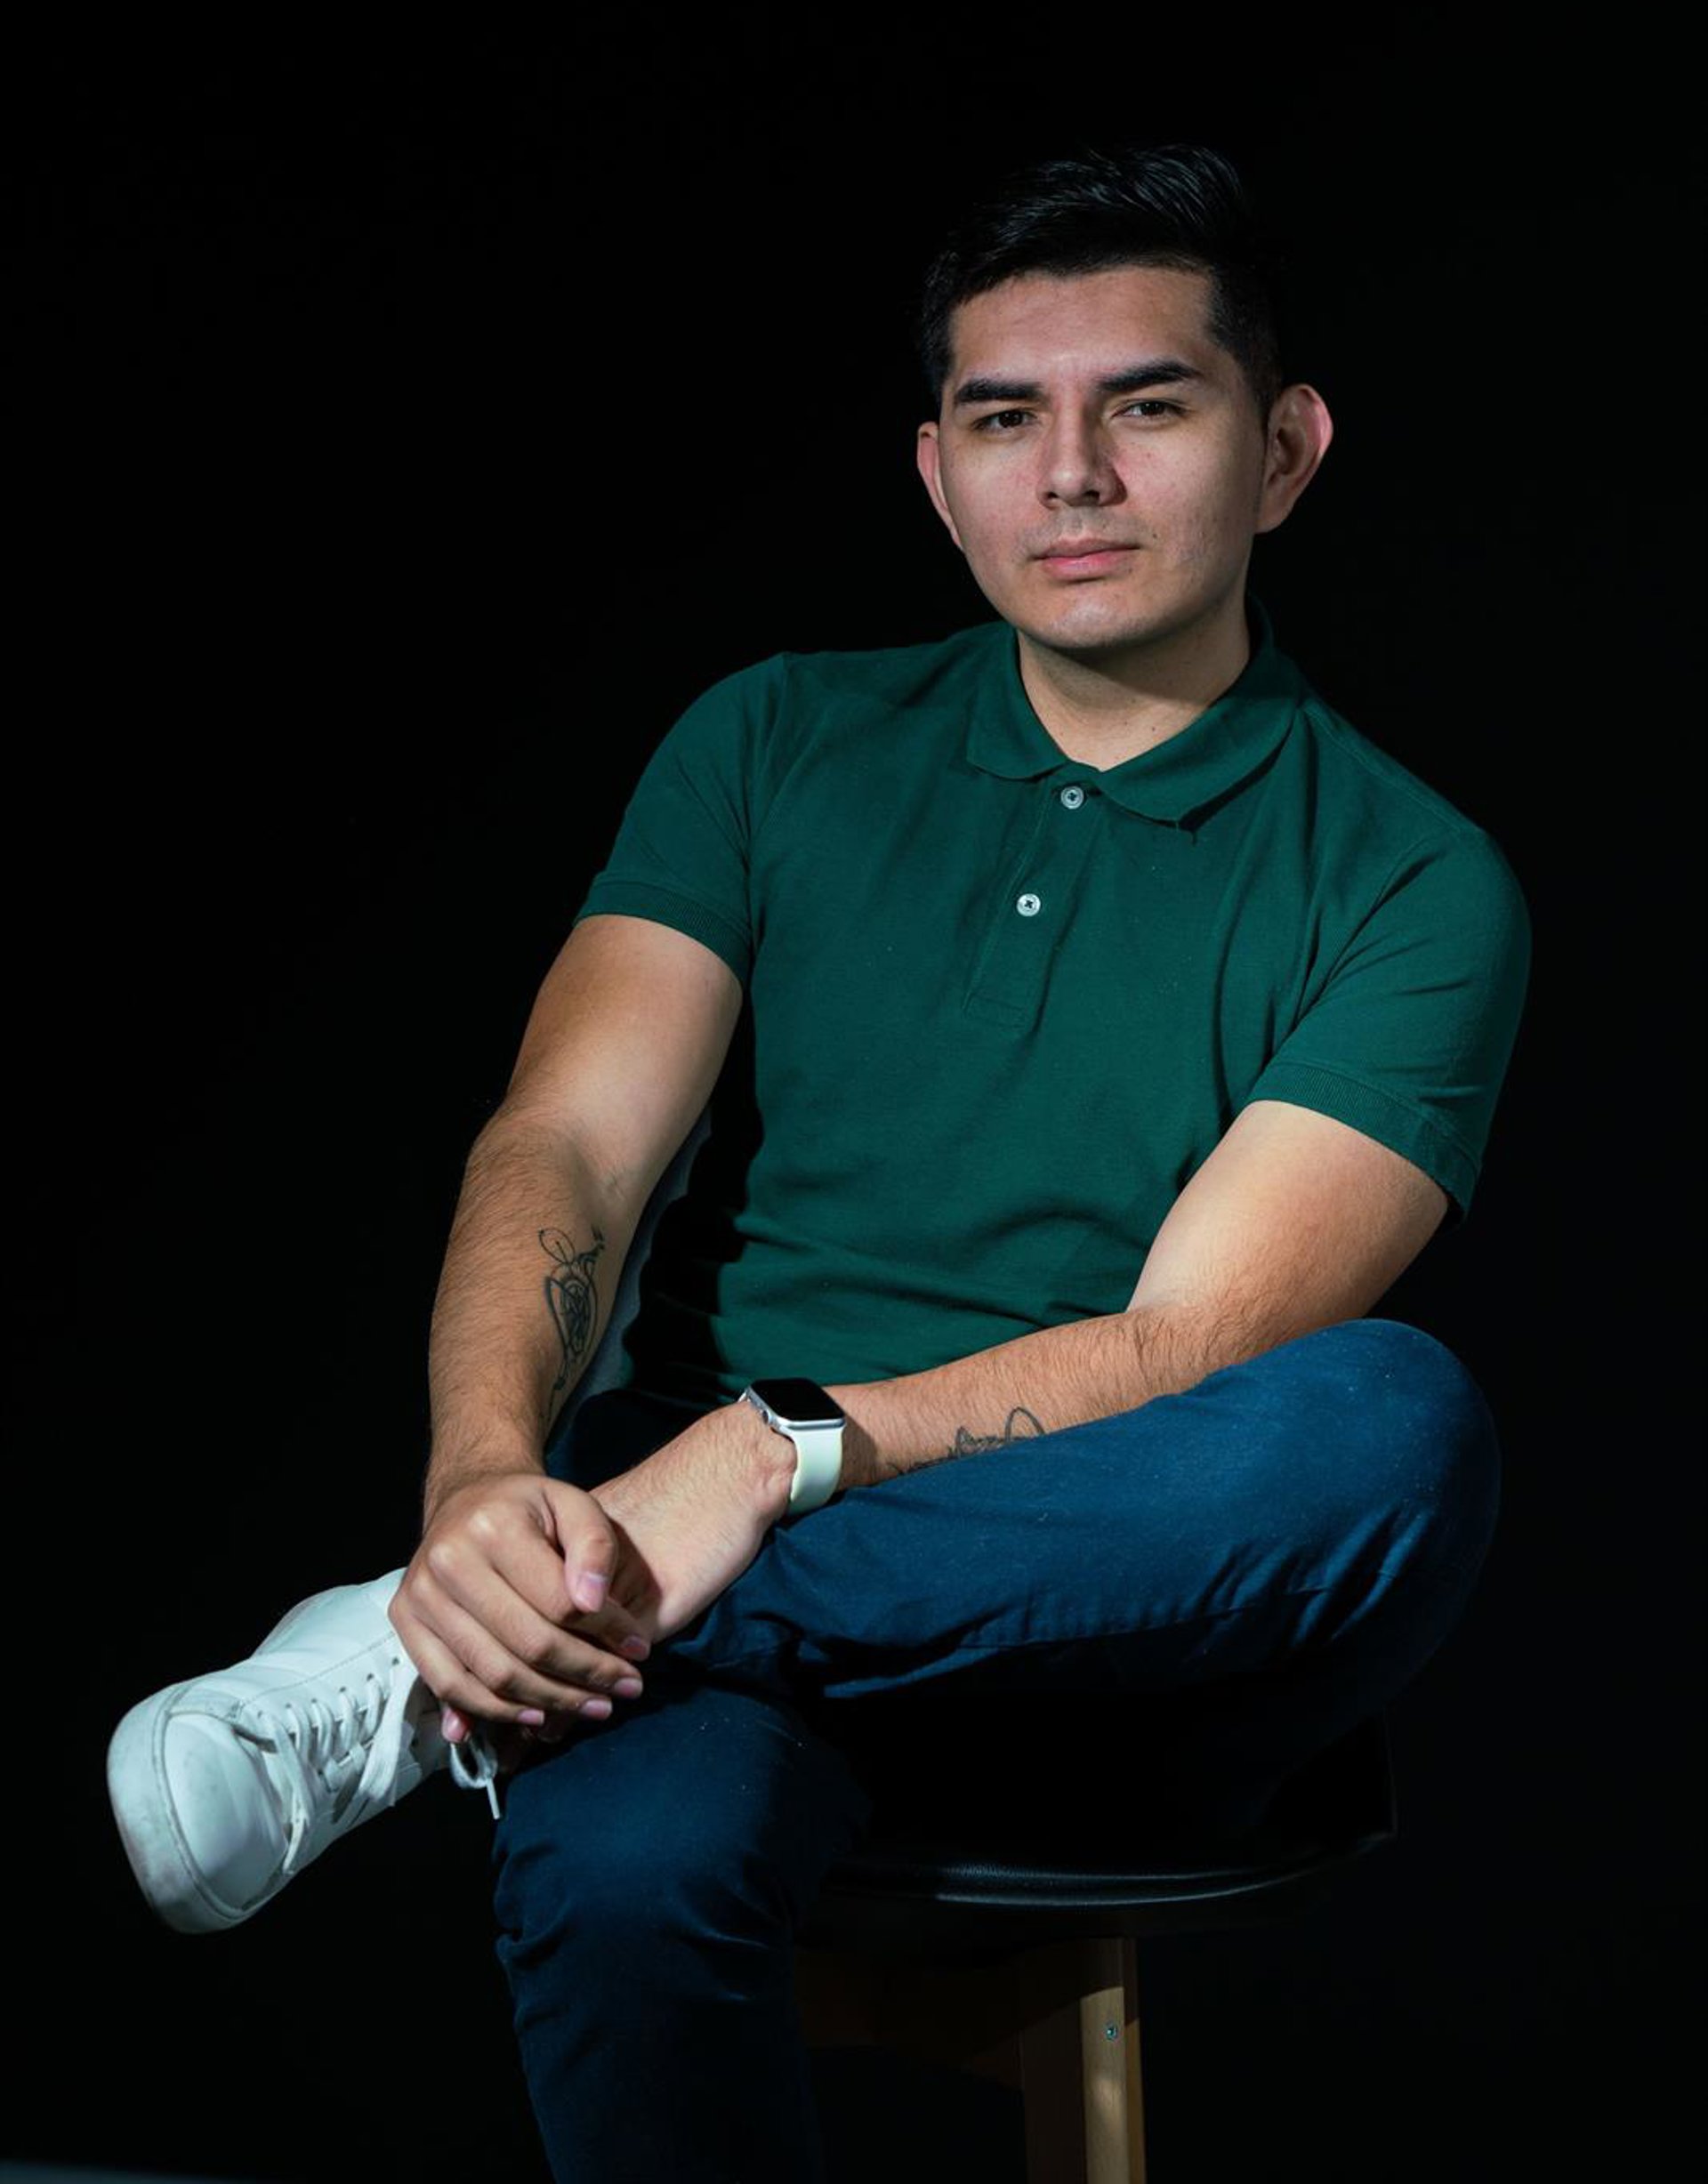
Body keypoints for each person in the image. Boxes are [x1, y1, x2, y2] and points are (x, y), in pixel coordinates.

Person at [108, 142, 1530, 2182]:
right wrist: (483, 1485)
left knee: (1395, 1426)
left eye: (1146, 406)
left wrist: (766, 1457)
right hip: (686, 1596)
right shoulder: (773, 742)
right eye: (1003, 420)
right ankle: (509, 1613)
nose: (1072, 477)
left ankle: (415, 1679)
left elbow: (1185, 1347)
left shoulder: (1408, 876)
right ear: (937, 475)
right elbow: (567, 1144)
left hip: (1103, 1621)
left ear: (1284, 450)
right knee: (627, 1869)